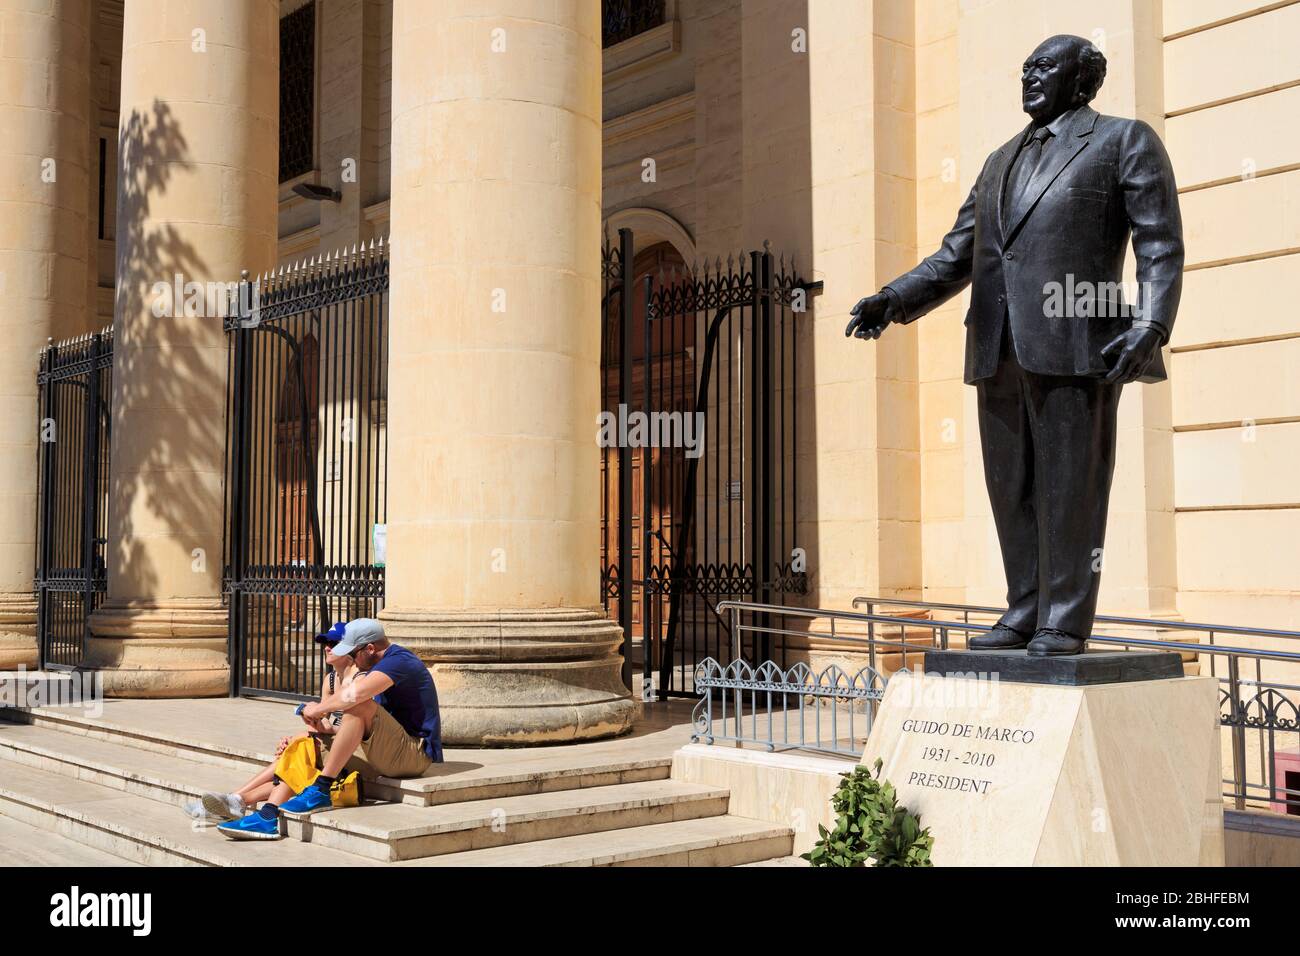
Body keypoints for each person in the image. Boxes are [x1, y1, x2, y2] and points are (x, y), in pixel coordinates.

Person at [845, 34, 1182, 656]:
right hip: (996, 346)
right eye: (1024, 66)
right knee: (1011, 486)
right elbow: (956, 255)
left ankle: (1064, 619)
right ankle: (1025, 607)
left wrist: (1151, 325)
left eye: (1044, 67)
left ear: (1082, 80)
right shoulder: (999, 159)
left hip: (1078, 343)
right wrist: (893, 299)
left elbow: (1158, 244)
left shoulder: (1122, 140)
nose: (1028, 76)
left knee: (1070, 487)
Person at [217, 617, 443, 840]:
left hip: (414, 754)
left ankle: (321, 788)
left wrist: (318, 709)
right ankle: (267, 815)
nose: (352, 659)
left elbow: (355, 695)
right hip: (386, 751)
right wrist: (317, 731)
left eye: (353, 653)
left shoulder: (400, 661)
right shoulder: (378, 664)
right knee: (306, 746)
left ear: (370, 648)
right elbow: (359, 726)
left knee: (359, 704)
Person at [182, 625, 361, 823]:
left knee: (294, 755)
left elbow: (356, 727)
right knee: (294, 757)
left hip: (347, 752)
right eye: (326, 643)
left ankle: (236, 800)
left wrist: (301, 738)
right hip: (327, 745)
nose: (327, 648)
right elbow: (319, 726)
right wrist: (304, 732)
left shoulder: (360, 679)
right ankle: (235, 801)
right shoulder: (331, 680)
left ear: (349, 649)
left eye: (334, 643)